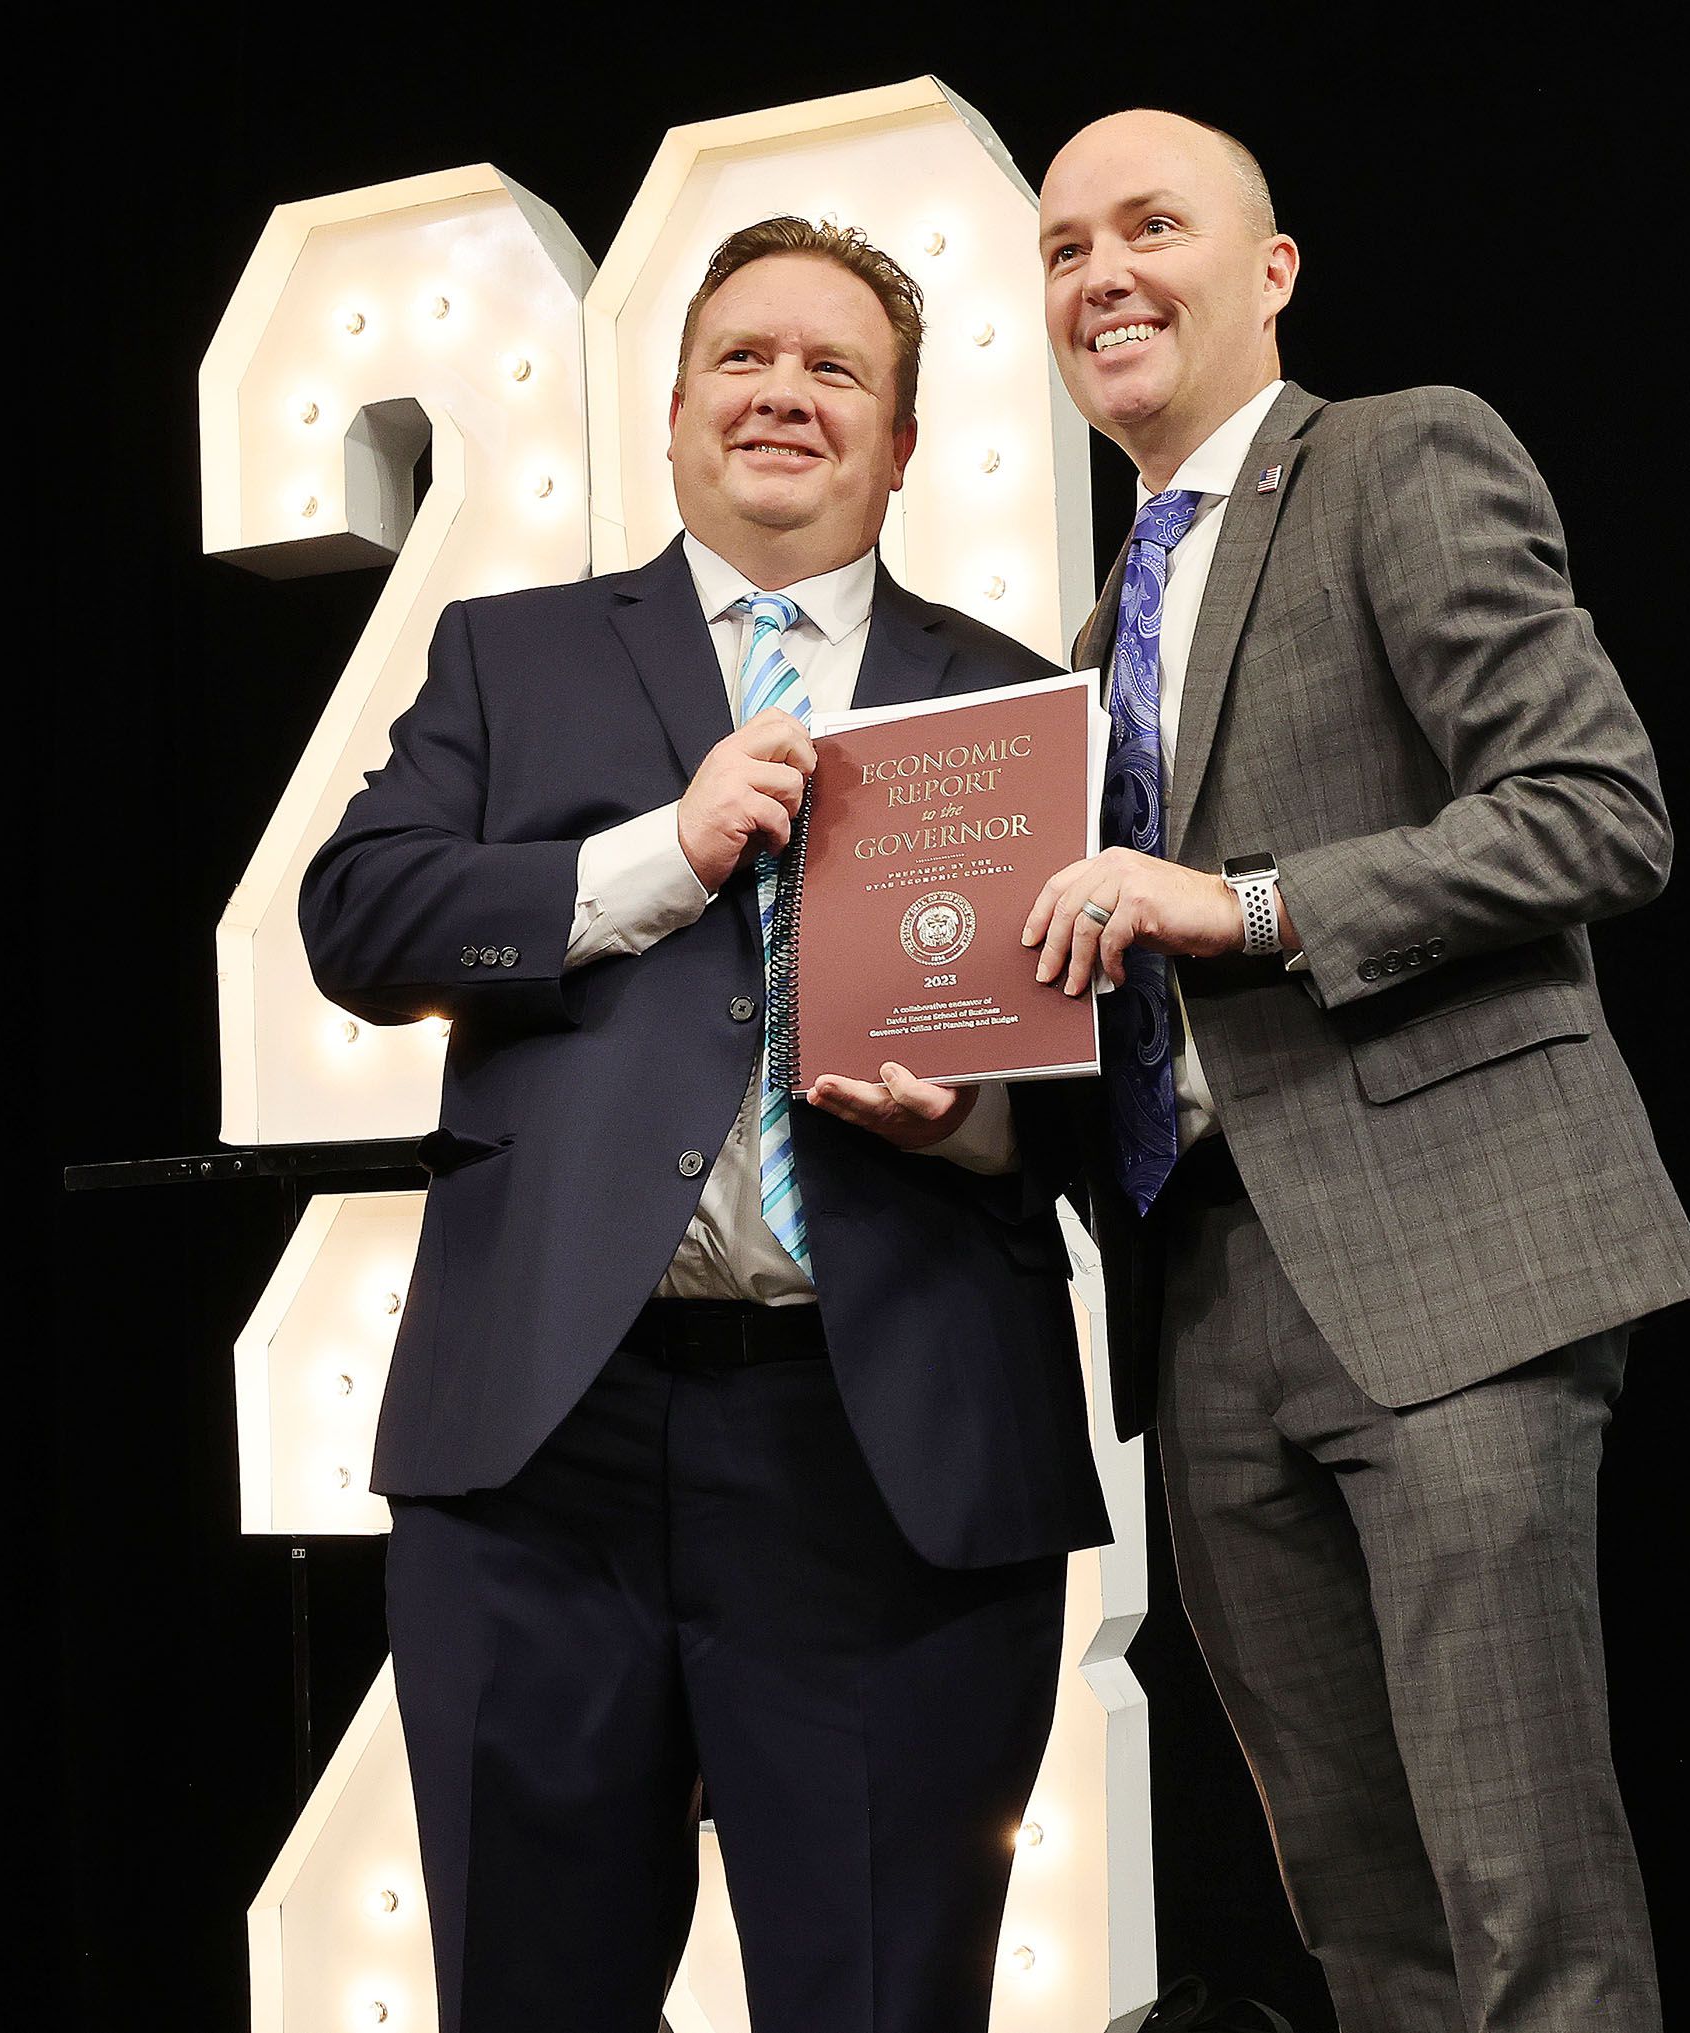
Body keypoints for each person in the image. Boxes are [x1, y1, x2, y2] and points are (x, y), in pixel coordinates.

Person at [300, 217, 1107, 2033]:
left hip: (884, 1454)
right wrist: (655, 856)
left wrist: (969, 1122)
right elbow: (357, 917)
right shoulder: (508, 659)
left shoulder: (1019, 703)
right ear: (670, 415)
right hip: (540, 1454)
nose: (784, 394)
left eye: (839, 370)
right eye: (745, 357)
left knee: (887, 1998)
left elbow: (1111, 1090)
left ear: (904, 445)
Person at [1022, 111, 1690, 2030]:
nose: (1104, 275)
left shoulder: (1399, 455)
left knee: (1522, 1890)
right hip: (1205, 1288)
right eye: (1067, 247)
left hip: (1453, 1259)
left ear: (1273, 270)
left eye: (1153, 226)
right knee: (1357, 1906)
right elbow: (1114, 973)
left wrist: (1239, 906)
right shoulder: (1095, 642)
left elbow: (1597, 813)